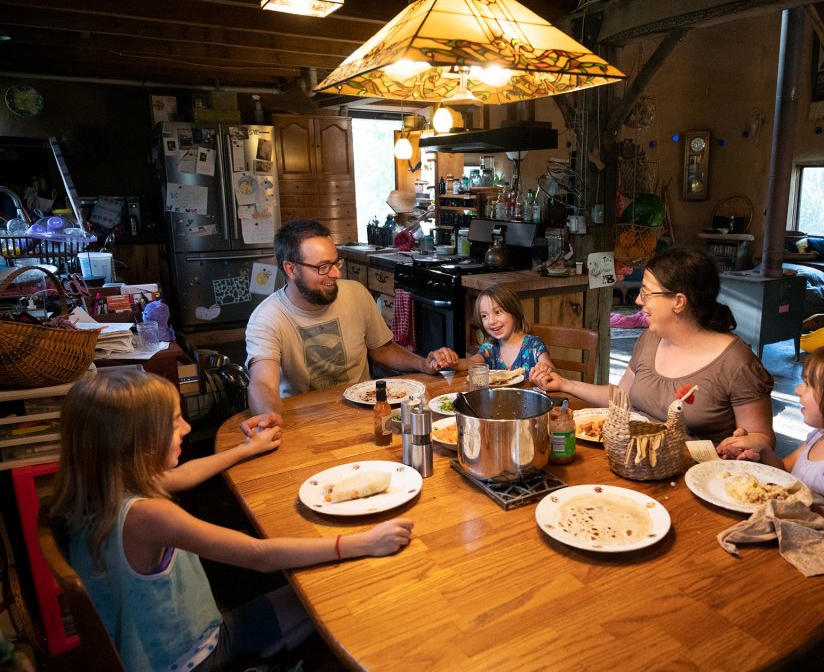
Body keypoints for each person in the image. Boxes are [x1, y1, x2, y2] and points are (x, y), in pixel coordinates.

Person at [49, 370, 413, 671]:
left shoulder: (102, 488)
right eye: (175, 422)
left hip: (149, 654)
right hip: (199, 656)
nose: (187, 430)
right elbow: (259, 555)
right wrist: (361, 542)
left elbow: (185, 474)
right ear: (135, 441)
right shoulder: (148, 515)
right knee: (332, 590)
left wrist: (246, 449)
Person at [530, 246, 774, 449]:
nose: (638, 301)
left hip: (695, 476)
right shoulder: (650, 339)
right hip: (638, 461)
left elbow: (762, 440)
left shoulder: (737, 363)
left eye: (646, 293)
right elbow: (622, 397)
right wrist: (565, 384)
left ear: (678, 301)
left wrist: (748, 445)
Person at [246, 220, 458, 425]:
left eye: (336, 262)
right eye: (323, 267)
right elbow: (262, 383)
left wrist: (423, 364)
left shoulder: (355, 294)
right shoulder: (267, 317)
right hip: (304, 421)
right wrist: (269, 416)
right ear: (291, 269)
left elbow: (382, 349)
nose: (336, 273)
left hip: (365, 414)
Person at [716, 345, 824, 540]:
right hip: (788, 526)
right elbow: (784, 471)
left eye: (808, 384)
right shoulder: (820, 436)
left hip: (809, 543)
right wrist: (763, 449)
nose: (797, 389)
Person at [450, 284, 552, 374]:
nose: (491, 321)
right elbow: (471, 363)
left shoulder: (534, 345)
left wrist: (545, 369)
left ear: (514, 312)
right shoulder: (489, 348)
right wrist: (452, 362)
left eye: (498, 312)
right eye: (484, 316)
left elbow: (550, 369)